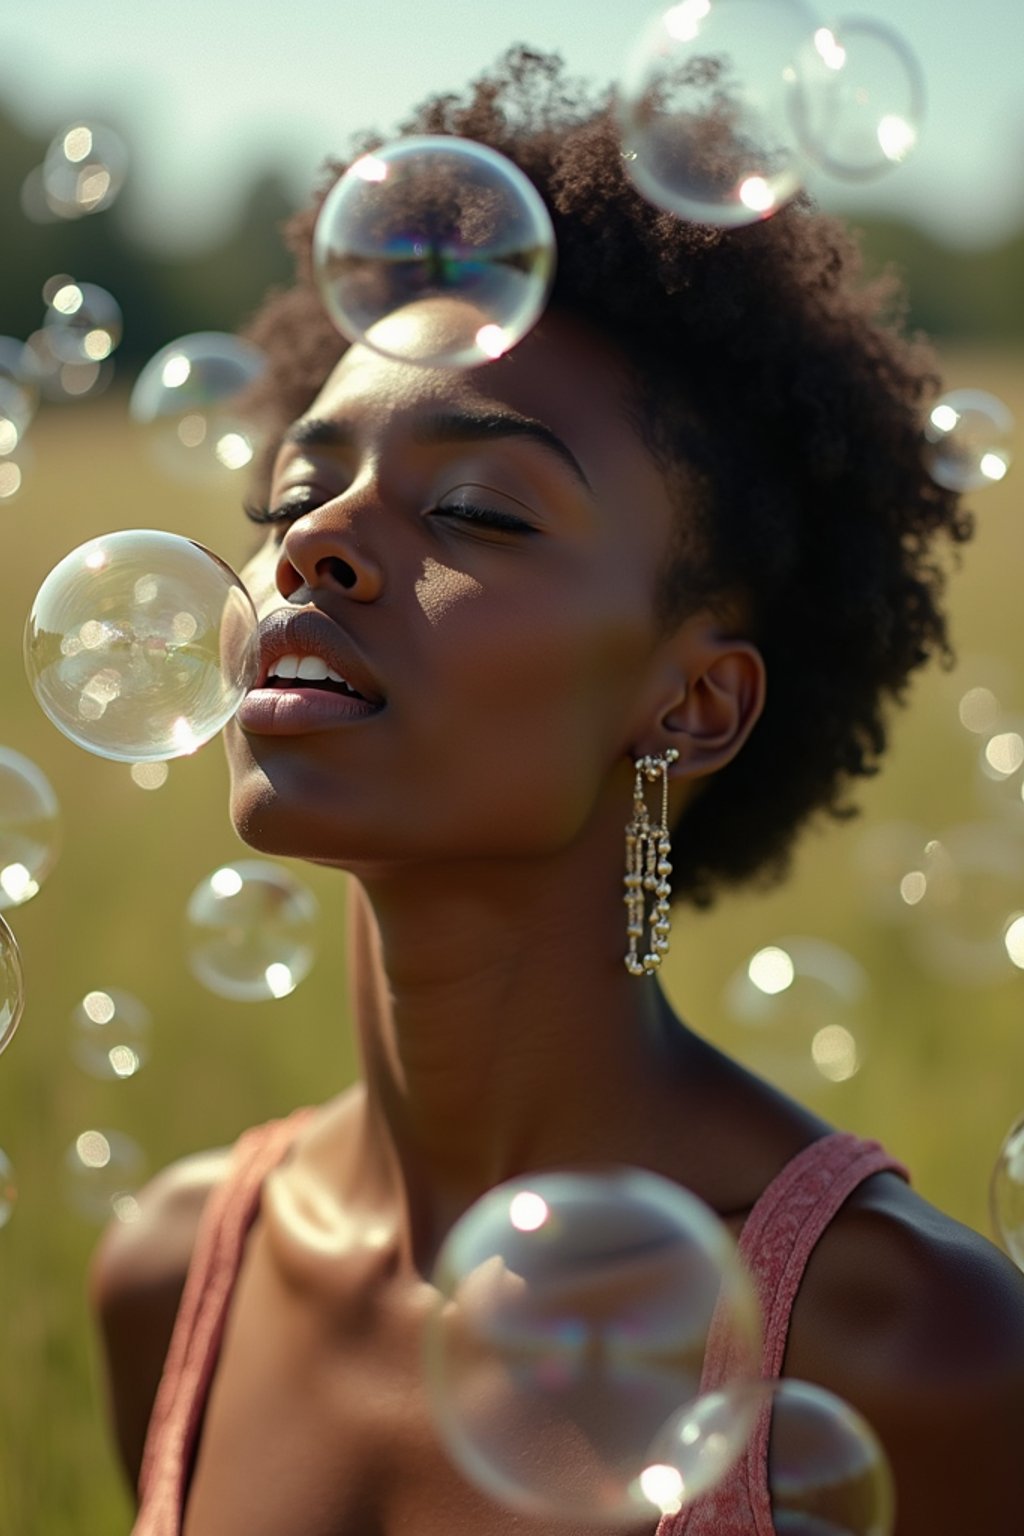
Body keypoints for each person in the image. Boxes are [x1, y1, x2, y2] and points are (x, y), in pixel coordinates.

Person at [89, 49, 1024, 1536]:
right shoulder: (169, 1271)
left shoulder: (914, 1345)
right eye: (293, 493)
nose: (313, 544)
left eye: (471, 509)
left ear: (693, 702)